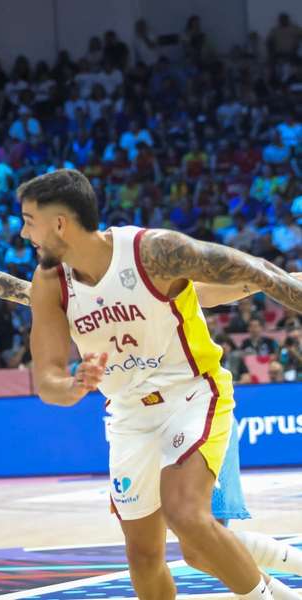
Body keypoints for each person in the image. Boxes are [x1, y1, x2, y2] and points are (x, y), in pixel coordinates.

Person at [0, 257, 302, 596]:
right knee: (201, 549)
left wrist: (285, 279)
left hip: (194, 408)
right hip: (137, 420)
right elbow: (19, 290)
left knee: (203, 543)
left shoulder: (153, 285)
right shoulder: (68, 297)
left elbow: (241, 284)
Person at [20, 169, 301, 599]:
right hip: (129, 415)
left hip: (191, 393)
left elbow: (257, 271)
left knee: (187, 516)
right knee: (143, 555)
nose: (24, 234)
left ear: (59, 223)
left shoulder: (153, 252)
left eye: (29, 221)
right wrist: (73, 385)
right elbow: (47, 380)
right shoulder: (50, 282)